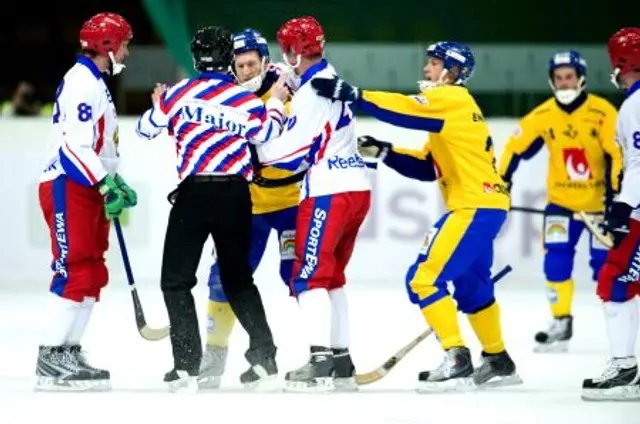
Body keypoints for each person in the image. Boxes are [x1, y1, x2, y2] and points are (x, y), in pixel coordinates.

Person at [311, 41, 521, 392]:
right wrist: (386, 152)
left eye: (434, 63)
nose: (426, 70)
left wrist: (356, 95)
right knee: (472, 288)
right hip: (487, 208)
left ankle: (456, 359)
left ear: (453, 72)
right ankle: (498, 360)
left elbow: (404, 109)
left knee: (423, 279)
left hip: (472, 207)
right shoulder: (458, 107)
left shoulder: (450, 98)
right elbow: (427, 167)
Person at [135, 25, 287, 392]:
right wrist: (278, 102)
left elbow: (144, 129)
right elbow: (269, 134)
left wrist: (160, 106)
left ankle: (186, 365)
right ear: (228, 59)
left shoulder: (177, 94)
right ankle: (265, 358)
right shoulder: (245, 99)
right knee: (239, 280)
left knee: (176, 280)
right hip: (236, 195)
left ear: (195, 59)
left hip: (194, 194)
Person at [254, 16, 371, 392]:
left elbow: (285, 155)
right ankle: (341, 360)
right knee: (332, 277)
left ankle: (320, 361)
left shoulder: (310, 93)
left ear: (291, 51)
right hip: (355, 187)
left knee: (308, 277)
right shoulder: (326, 77)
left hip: (328, 191)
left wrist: (260, 132)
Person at [36, 12, 136, 392]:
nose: (127, 49)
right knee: (75, 265)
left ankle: (69, 351)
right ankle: (51, 357)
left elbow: (99, 144)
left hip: (87, 185)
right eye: (123, 42)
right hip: (67, 183)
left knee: (93, 270)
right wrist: (103, 182)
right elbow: (74, 147)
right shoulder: (82, 83)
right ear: (107, 46)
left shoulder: (96, 83)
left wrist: (112, 175)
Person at [497, 50, 622, 353]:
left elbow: (616, 155)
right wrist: (502, 184)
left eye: (569, 76)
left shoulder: (603, 112)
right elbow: (514, 148)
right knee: (556, 261)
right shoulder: (543, 115)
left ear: (581, 78)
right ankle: (561, 323)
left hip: (599, 209)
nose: (564, 83)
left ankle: (620, 325)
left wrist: (614, 196)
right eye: (558, 78)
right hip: (560, 206)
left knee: (606, 268)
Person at [198, 28, 302, 389]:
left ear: (264, 61)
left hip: (292, 203)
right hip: (249, 205)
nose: (245, 71)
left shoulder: (293, 88)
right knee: (222, 279)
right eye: (239, 65)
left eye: (250, 64)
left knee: (301, 277)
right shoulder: (223, 96)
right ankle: (213, 356)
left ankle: (323, 354)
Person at [582, 27, 640, 402]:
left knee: (615, 278)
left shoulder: (635, 104)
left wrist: (622, 207)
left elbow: (639, 163)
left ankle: (624, 368)